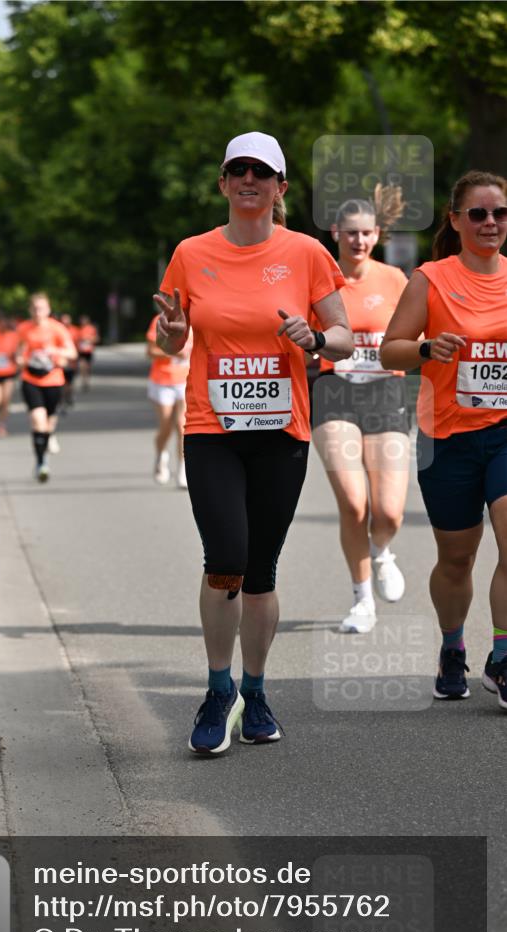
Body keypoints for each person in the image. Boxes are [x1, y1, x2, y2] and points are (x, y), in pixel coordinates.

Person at [154, 132, 352, 754]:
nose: (248, 180)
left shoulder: (306, 253)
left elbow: (344, 335)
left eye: (260, 173)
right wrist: (173, 332)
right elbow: (168, 341)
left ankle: (256, 690)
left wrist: (314, 339)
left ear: (280, 188)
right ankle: (218, 691)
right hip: (212, 430)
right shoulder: (191, 252)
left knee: (261, 570)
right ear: (222, 183)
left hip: (281, 432)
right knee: (226, 561)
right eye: (236, 170)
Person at [380, 169, 507, 708]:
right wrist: (428, 349)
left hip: (504, 433)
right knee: (456, 559)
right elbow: (391, 350)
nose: (490, 222)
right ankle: (453, 645)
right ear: (455, 221)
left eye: (500, 213)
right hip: (446, 437)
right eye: (477, 213)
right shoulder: (430, 279)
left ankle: (502, 657)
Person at [312, 187, 410, 633]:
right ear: (335, 232)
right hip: (334, 391)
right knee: (353, 503)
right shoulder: (317, 280)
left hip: (385, 393)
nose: (359, 241)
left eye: (367, 233)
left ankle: (383, 550)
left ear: (377, 234)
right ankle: (362, 599)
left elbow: (415, 337)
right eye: (351, 233)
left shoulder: (395, 280)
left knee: (388, 511)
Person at [16, 293, 77, 482]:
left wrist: (55, 351)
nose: (38, 312)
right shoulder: (24, 329)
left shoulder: (57, 329)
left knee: (49, 423)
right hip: (31, 379)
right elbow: (18, 352)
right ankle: (41, 462)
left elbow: (72, 352)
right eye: (34, 309)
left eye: (41, 308)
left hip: (53, 380)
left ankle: (48, 440)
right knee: (37, 419)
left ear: (48, 310)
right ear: (30, 310)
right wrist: (20, 359)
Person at [145, 311, 193, 488]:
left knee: (182, 426)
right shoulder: (160, 320)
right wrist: (172, 353)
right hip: (162, 380)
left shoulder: (196, 318)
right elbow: (150, 351)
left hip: (186, 380)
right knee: (166, 425)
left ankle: (182, 470)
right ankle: (161, 454)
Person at [75, 314, 99, 392]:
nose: (83, 322)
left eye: (84, 320)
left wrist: (89, 340)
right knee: (82, 366)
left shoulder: (91, 328)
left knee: (88, 367)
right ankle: (83, 381)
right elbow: (76, 340)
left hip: (88, 351)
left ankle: (87, 380)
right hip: (81, 351)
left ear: (87, 321)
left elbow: (96, 339)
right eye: (82, 320)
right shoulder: (79, 329)